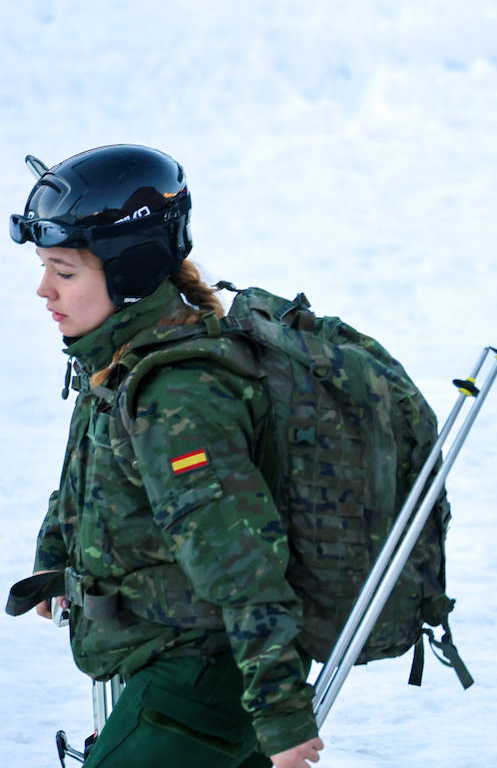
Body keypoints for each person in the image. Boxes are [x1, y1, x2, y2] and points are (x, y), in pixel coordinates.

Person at [10, 145, 324, 768]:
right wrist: (55, 557)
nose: (44, 290)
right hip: (167, 665)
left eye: (64, 272)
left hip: (202, 679)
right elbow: (84, 475)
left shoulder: (177, 395)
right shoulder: (120, 356)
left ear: (127, 271)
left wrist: (283, 715)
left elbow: (241, 558)